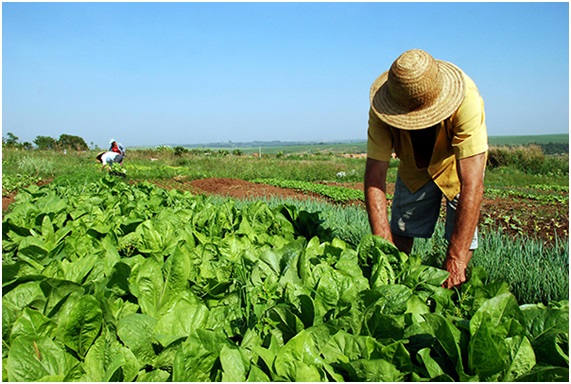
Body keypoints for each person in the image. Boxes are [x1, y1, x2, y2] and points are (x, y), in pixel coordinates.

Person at [364, 49, 488, 289]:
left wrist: (455, 258)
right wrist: (383, 252)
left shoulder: (466, 99)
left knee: (459, 252)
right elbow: (374, 177)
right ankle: (397, 283)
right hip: (413, 163)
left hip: (454, 163)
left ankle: (452, 294)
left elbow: (473, 184)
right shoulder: (382, 109)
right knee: (401, 229)